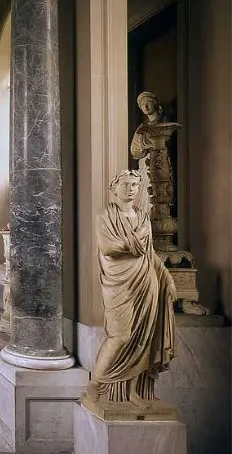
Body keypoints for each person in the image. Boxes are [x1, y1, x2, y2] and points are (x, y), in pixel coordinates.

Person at [85, 169, 176, 407]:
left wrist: (167, 276)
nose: (131, 189)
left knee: (143, 336)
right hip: (119, 284)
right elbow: (107, 247)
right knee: (120, 335)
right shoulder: (105, 215)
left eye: (135, 185)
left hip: (146, 280)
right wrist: (135, 238)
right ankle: (95, 386)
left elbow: (150, 253)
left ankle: (133, 391)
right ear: (114, 189)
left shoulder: (141, 216)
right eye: (126, 184)